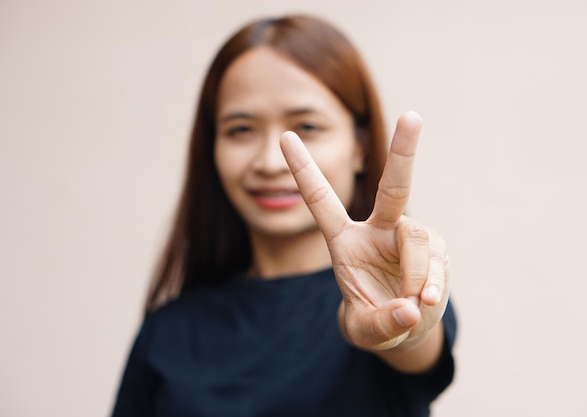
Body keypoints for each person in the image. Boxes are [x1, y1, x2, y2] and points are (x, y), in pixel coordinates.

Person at [111, 14, 456, 417]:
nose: (272, 162)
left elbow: (413, 344)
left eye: (307, 126)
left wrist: (400, 328)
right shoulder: (167, 332)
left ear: (359, 146)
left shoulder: (394, 288)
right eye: (240, 129)